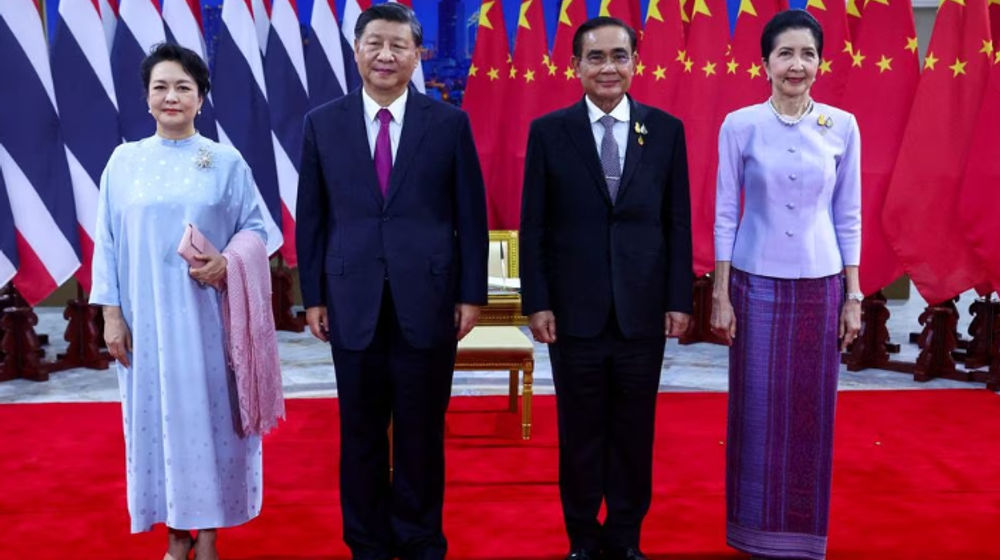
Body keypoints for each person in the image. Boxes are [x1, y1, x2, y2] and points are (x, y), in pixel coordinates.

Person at [295, 4, 488, 559]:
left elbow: (470, 215)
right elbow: (313, 217)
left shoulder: (448, 123)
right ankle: (367, 541)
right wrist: (314, 296)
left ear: (416, 55)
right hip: (351, 299)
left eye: (398, 45)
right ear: (356, 51)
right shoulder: (323, 123)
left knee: (421, 431)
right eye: (375, 43)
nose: (385, 55)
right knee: (359, 432)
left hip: (428, 300)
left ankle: (420, 537)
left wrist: (471, 293)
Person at [90, 43, 273, 560]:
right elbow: (106, 242)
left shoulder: (225, 162)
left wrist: (227, 262)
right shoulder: (124, 162)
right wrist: (111, 316)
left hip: (210, 321)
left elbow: (256, 231)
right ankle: (174, 536)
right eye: (161, 87)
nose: (171, 97)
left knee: (210, 428)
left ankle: (208, 536)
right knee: (156, 426)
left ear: (201, 97)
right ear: (146, 97)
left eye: (183, 87)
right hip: (144, 324)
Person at [519, 16, 693, 560]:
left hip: (643, 311)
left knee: (634, 432)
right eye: (596, 57)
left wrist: (678, 299)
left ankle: (625, 536)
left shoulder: (665, 130)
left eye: (620, 55)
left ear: (636, 63)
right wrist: (538, 302)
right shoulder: (550, 132)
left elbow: (677, 222)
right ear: (576, 66)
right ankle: (581, 537)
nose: (609, 67)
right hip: (574, 314)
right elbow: (534, 225)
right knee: (580, 432)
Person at [710, 9, 862, 560]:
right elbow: (726, 213)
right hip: (755, 286)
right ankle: (752, 536)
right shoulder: (740, 124)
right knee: (755, 413)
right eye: (785, 54)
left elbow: (849, 214)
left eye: (808, 54)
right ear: (765, 62)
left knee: (810, 415)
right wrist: (722, 293)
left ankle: (802, 540)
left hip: (821, 288)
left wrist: (853, 296)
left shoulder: (842, 125)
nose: (797, 65)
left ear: (821, 62)